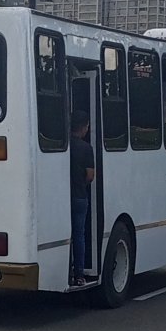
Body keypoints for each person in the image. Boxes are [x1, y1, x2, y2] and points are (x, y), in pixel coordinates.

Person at [70, 110, 95, 286]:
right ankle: (79, 274)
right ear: (85, 127)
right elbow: (90, 176)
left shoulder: (63, 145)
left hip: (63, 197)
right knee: (79, 235)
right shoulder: (86, 148)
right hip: (79, 196)